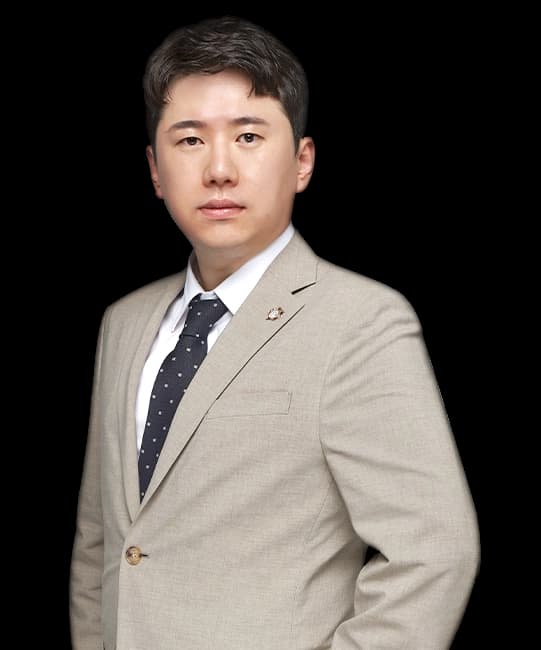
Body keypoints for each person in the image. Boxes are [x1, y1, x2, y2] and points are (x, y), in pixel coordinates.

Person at [70, 15, 480, 650]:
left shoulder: (361, 322)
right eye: (189, 140)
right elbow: (102, 541)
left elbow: (433, 550)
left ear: (302, 162)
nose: (219, 169)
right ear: (154, 169)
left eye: (249, 136)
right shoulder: (124, 322)